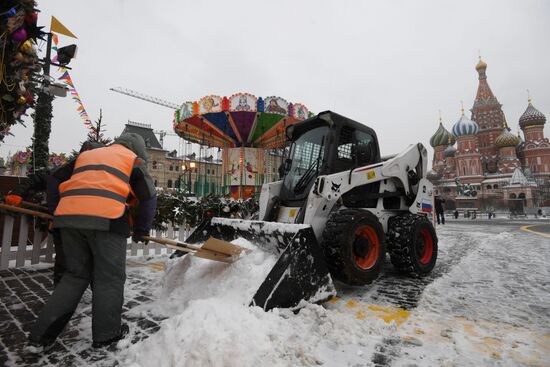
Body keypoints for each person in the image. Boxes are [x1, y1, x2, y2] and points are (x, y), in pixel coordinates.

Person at [27, 133, 157, 352]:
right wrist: (142, 230)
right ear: (137, 149)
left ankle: (39, 338)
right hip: (107, 219)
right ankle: (107, 336)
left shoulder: (87, 155)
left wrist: (56, 209)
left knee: (74, 276)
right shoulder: (132, 160)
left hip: (68, 218)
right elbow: (149, 197)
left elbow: (54, 178)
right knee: (109, 278)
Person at [5, 141, 104, 286]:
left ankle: (98, 299)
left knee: (95, 264)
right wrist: (18, 193)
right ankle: (61, 296)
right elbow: (38, 178)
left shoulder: (101, 174)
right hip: (65, 223)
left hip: (93, 226)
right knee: (65, 263)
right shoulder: (66, 170)